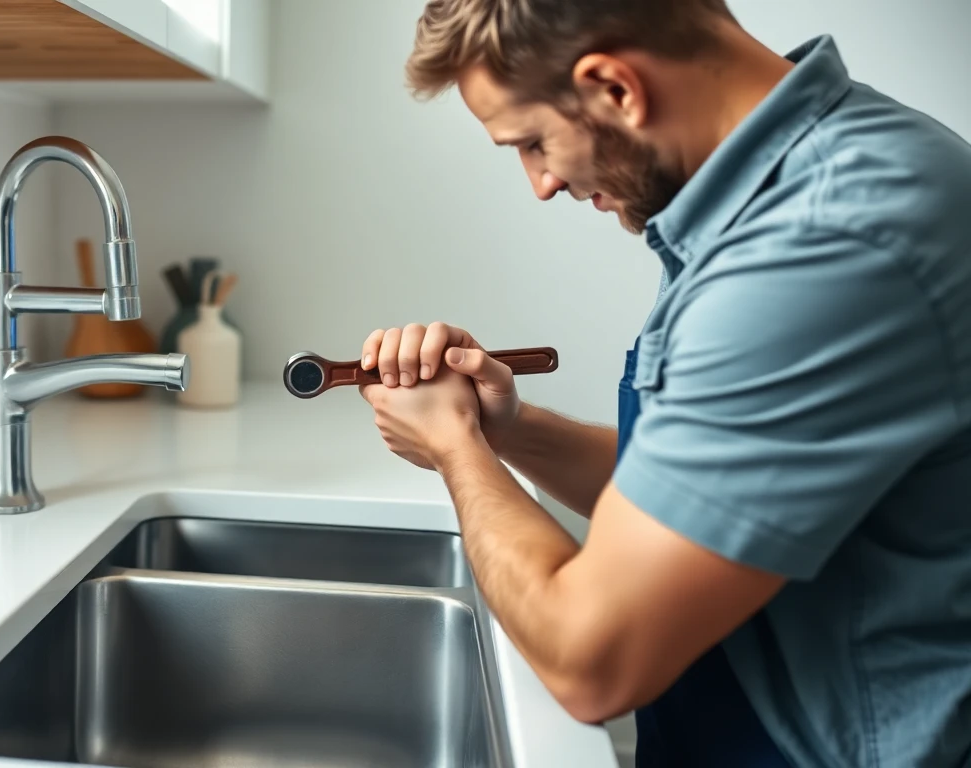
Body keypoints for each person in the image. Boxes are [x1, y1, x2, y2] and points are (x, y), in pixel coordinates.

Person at [356, 1, 971, 766]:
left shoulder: (826, 243)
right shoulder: (782, 195)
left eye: (533, 143)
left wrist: (455, 449)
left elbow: (592, 659)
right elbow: (705, 494)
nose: (541, 183)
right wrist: (506, 429)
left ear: (616, 88)